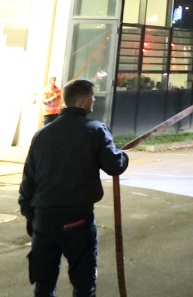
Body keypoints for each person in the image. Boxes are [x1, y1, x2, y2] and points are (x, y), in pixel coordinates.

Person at [19, 78, 129, 297]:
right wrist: (124, 156)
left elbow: (28, 181)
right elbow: (114, 165)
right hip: (76, 219)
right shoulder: (95, 130)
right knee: (83, 284)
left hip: (44, 218)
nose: (94, 100)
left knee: (44, 284)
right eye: (92, 96)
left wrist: (32, 218)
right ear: (84, 100)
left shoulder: (42, 135)